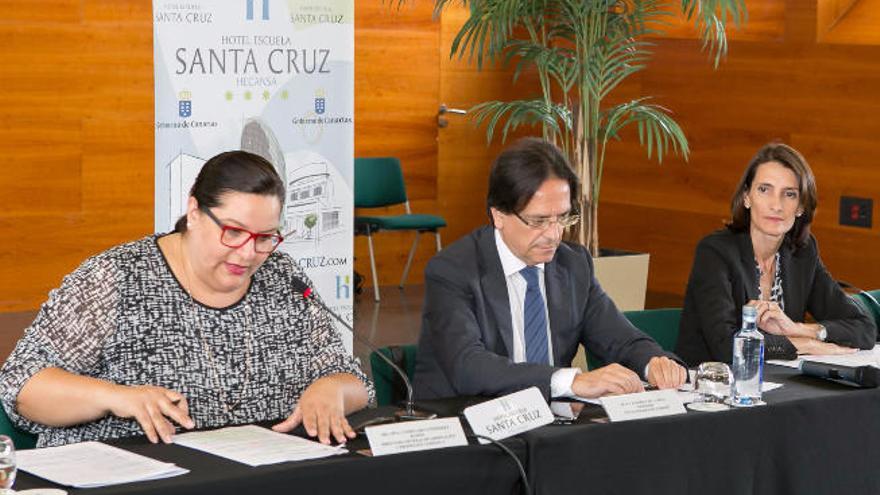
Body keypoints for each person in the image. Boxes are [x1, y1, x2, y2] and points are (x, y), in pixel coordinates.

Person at [0, 151, 372, 448]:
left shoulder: (281, 275)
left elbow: (354, 382)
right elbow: (22, 386)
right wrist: (115, 397)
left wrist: (332, 389)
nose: (247, 253)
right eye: (233, 232)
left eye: (265, 238)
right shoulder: (119, 276)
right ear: (194, 212)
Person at [413, 138, 687, 401]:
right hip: (466, 423)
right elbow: (468, 366)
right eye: (539, 221)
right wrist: (570, 381)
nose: (553, 235)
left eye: (563, 218)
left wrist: (654, 364)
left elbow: (620, 339)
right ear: (498, 215)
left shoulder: (573, 264)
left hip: (547, 425)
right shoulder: (452, 270)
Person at [676, 142, 877, 367]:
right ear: (746, 197)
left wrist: (798, 329)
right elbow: (726, 346)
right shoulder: (715, 252)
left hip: (779, 383)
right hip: (711, 386)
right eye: (764, 189)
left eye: (789, 194)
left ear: (801, 206)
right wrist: (804, 345)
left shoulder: (802, 252)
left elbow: (864, 328)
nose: (776, 205)